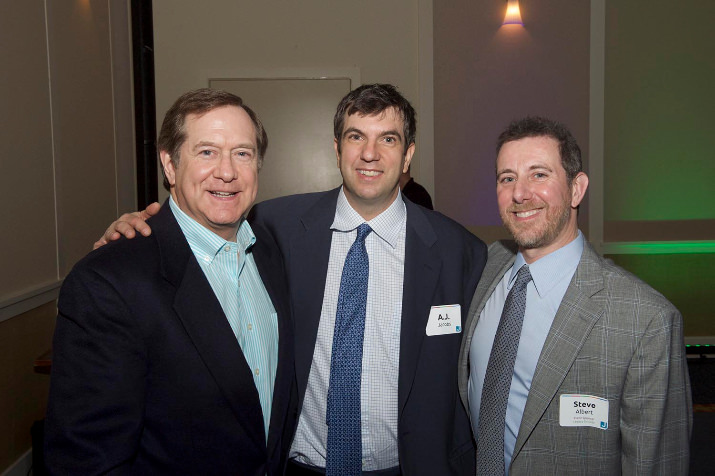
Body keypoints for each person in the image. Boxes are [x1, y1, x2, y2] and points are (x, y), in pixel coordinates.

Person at [95, 84, 488, 476]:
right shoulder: (273, 227)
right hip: (297, 468)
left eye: (388, 138)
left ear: (408, 155)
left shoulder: (461, 252)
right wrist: (138, 230)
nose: (370, 153)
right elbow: (198, 225)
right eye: (356, 137)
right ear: (337, 149)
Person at [45, 89, 295, 475]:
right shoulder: (108, 282)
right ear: (170, 165)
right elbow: (88, 461)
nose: (227, 172)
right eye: (207, 151)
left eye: (242, 153)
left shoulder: (271, 255)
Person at [457, 116, 692, 475]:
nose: (520, 193)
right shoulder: (486, 266)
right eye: (508, 178)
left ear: (577, 189)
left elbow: (657, 463)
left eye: (539, 174)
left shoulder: (645, 320)